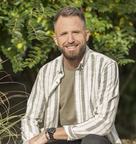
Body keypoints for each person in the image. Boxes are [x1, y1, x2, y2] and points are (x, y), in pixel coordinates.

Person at [21, 7, 122, 144]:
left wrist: (51, 133)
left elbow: (103, 122)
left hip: (92, 139)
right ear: (56, 40)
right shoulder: (46, 71)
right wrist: (32, 141)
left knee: (93, 141)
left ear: (86, 35)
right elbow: (30, 118)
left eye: (76, 32)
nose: (70, 40)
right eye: (64, 34)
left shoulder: (106, 66)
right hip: (58, 141)